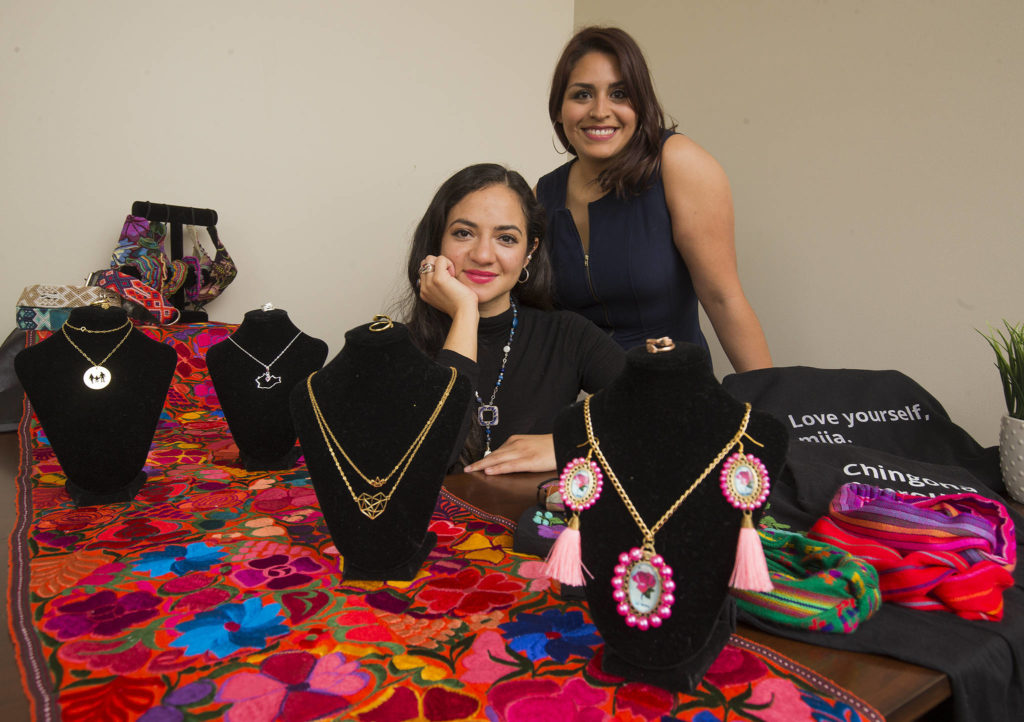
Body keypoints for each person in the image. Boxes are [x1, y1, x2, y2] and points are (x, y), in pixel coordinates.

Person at [536, 26, 772, 372]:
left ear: (641, 105)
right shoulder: (542, 194)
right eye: (582, 95)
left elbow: (723, 300)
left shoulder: (678, 163)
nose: (600, 111)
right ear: (558, 109)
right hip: (582, 407)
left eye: (619, 94)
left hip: (672, 396)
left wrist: (773, 409)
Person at [403, 163, 625, 475]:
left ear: (529, 251)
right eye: (463, 233)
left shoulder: (568, 334)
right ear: (437, 241)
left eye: (506, 238)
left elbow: (666, 416)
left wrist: (570, 443)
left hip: (537, 522)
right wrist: (465, 313)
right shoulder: (394, 347)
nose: (482, 255)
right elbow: (428, 460)